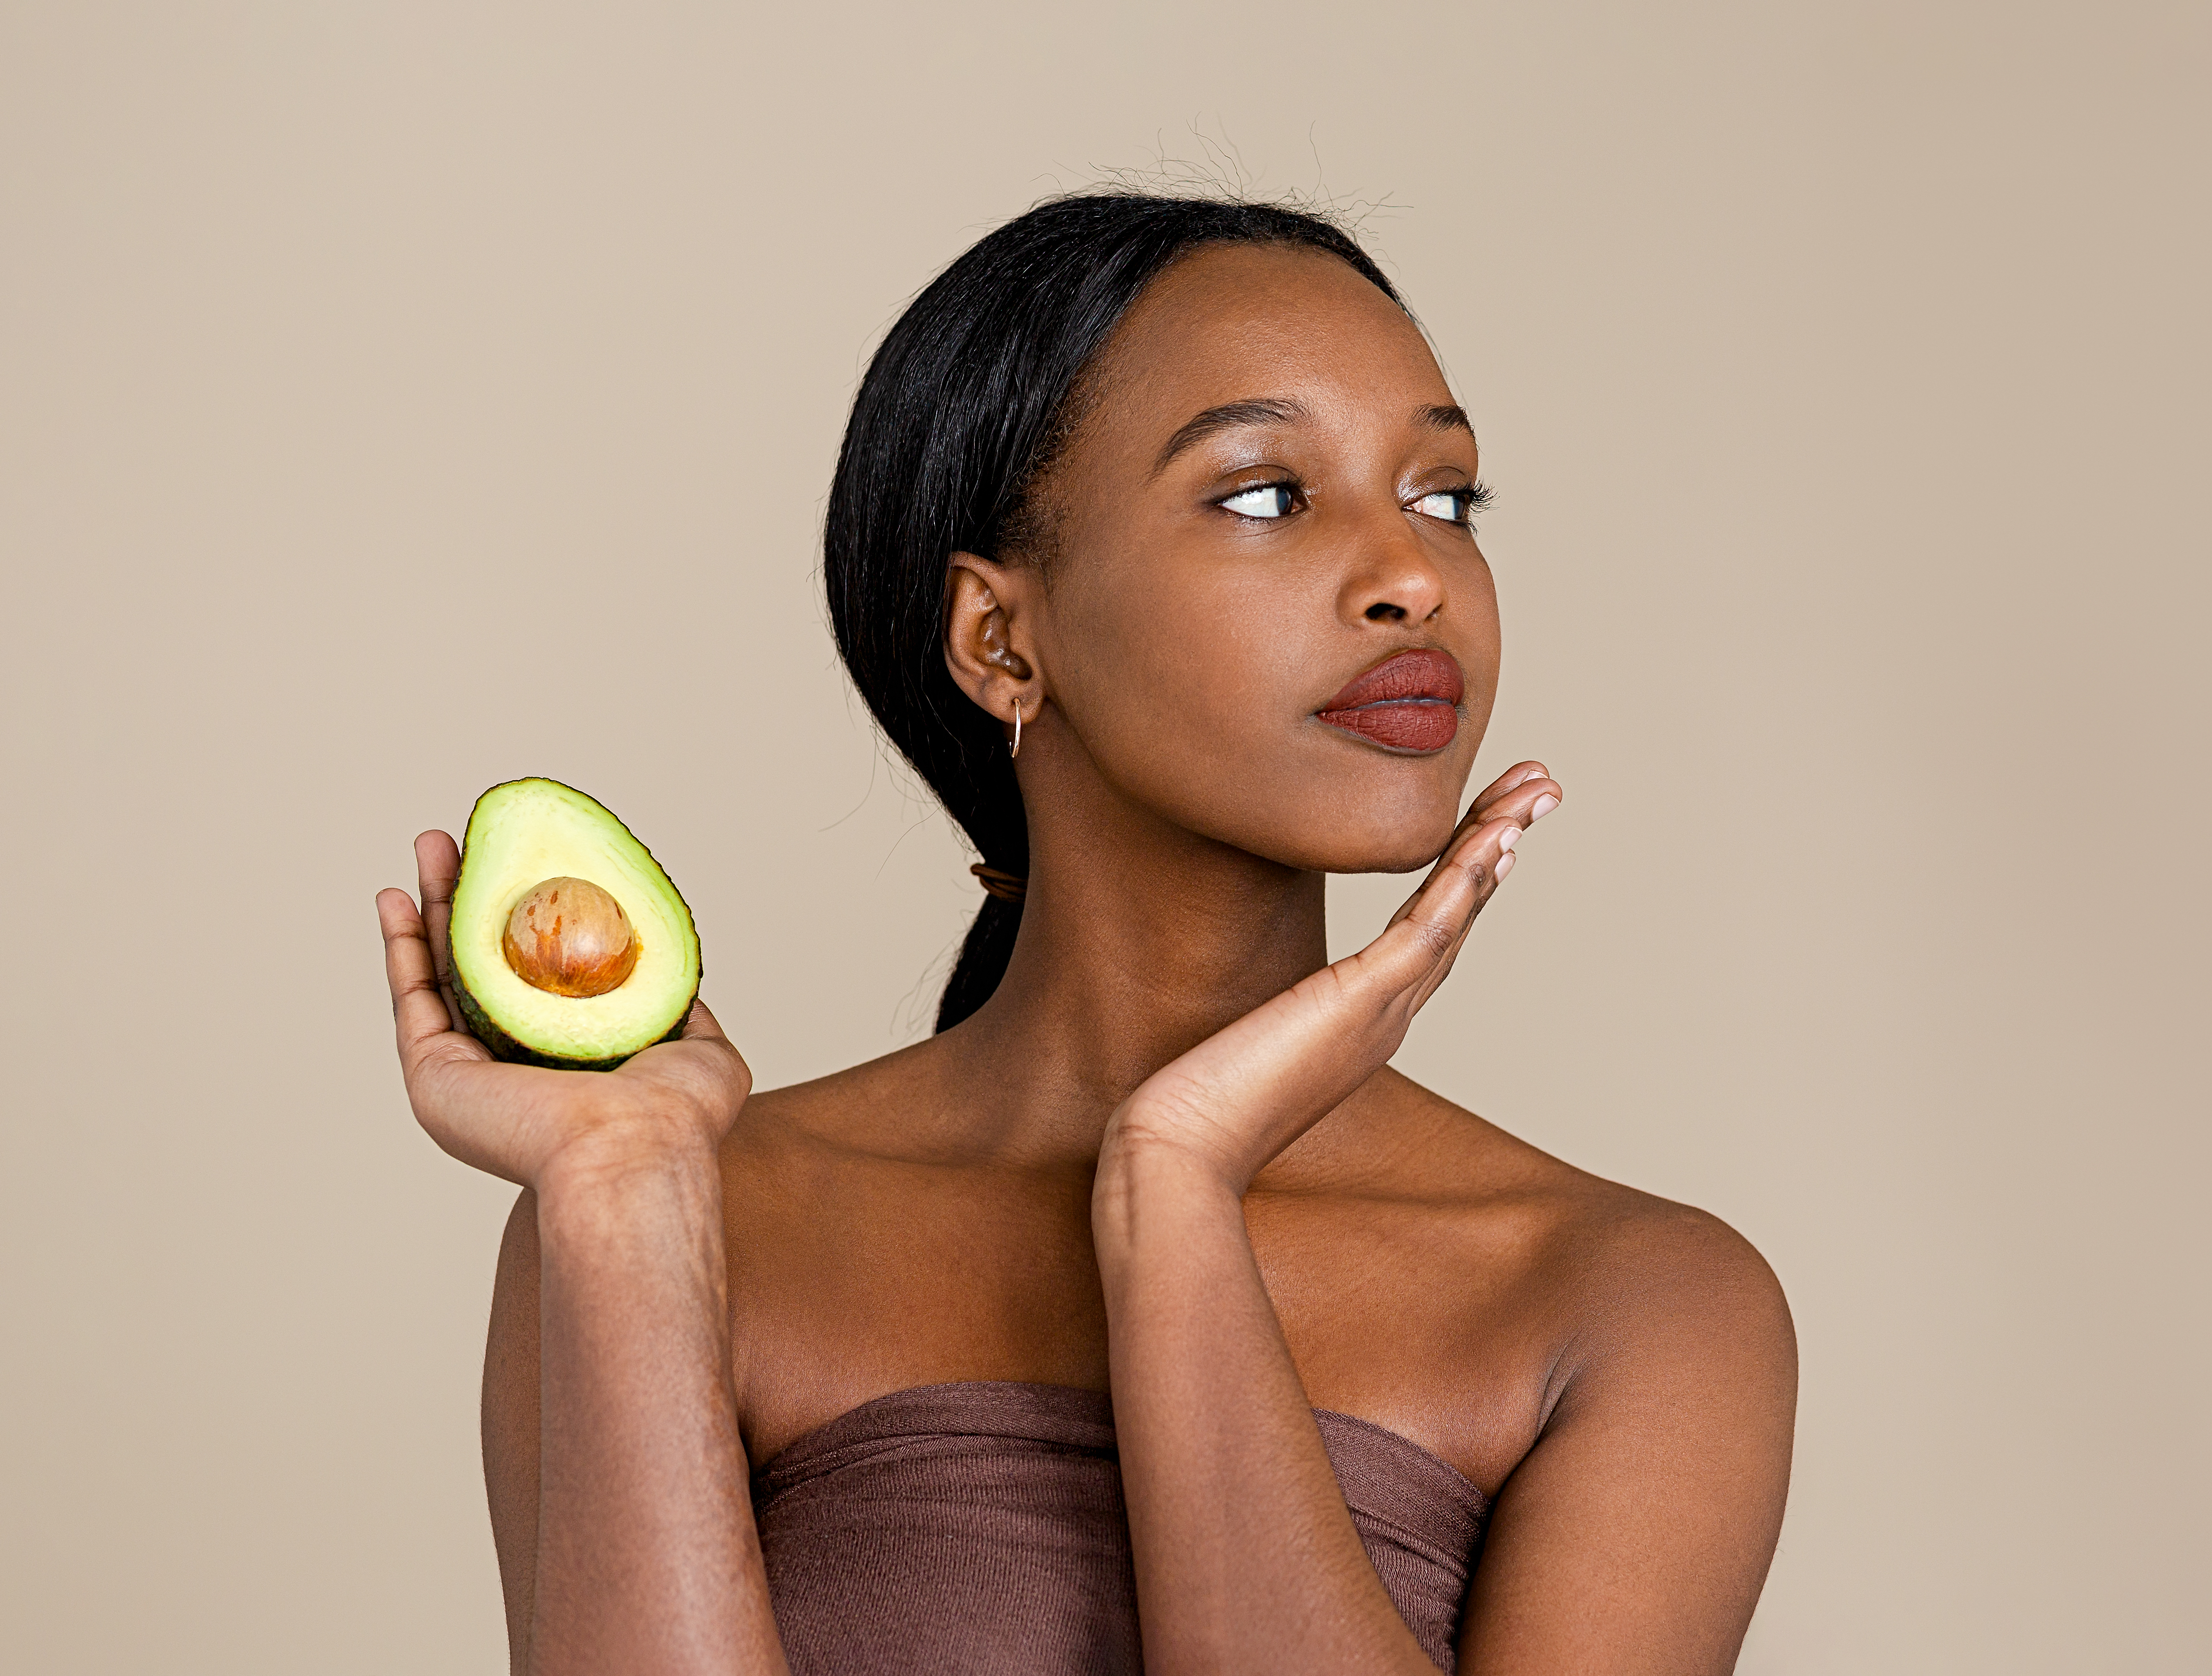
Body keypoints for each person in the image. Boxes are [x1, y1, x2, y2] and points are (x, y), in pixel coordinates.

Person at [378, 191, 1796, 1676]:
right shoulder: (685, 1214)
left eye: (1445, 497)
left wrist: (1178, 1184)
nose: (1413, 575)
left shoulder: (1634, 1297)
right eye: (1265, 494)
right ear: (1002, 640)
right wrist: (621, 1198)